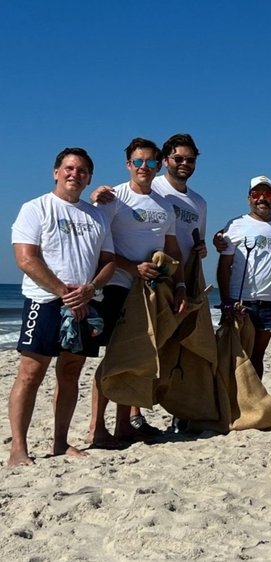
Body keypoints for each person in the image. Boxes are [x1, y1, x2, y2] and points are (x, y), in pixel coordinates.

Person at [7, 148, 115, 467]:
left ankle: (59, 442)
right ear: (56, 172)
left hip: (85, 304)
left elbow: (108, 261)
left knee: (70, 373)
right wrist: (62, 291)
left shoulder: (96, 215)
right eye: (69, 168)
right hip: (45, 302)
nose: (74, 174)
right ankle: (18, 448)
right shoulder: (35, 208)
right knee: (30, 373)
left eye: (82, 171)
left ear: (89, 178)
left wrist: (90, 288)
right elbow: (26, 258)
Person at [89, 138, 187, 445]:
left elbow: (172, 250)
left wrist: (181, 286)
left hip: (150, 292)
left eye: (151, 162)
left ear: (159, 166)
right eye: (138, 162)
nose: (144, 168)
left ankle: (123, 426)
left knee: (132, 359)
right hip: (118, 287)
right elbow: (99, 249)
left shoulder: (165, 205)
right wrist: (132, 267)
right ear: (129, 165)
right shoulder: (113, 198)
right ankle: (96, 427)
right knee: (112, 360)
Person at [93, 133, 207, 272]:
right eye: (178, 159)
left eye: (190, 160)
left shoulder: (199, 202)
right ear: (165, 161)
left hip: (176, 275)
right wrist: (95, 196)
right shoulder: (151, 184)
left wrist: (202, 248)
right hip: (131, 275)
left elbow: (197, 241)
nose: (184, 163)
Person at [217, 176, 271, 380]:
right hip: (242, 302)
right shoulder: (237, 224)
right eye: (256, 194)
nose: (262, 199)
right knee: (237, 356)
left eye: (267, 194)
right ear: (249, 198)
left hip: (270, 302)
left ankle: (253, 403)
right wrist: (226, 301)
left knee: (257, 356)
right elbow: (224, 266)